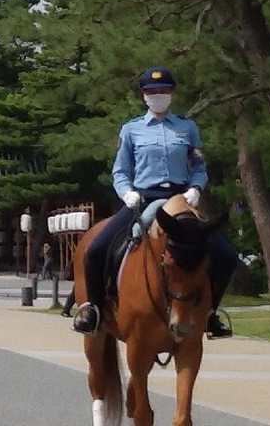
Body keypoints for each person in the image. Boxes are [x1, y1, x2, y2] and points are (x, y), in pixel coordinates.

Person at [72, 67, 239, 339]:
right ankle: (93, 308)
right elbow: (120, 171)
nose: (157, 96)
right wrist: (126, 192)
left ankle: (211, 314)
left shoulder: (187, 128)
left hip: (180, 199)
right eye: (151, 92)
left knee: (226, 254)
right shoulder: (131, 130)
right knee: (97, 249)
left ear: (171, 94)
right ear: (143, 96)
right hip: (143, 197)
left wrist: (196, 187)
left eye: (162, 91)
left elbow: (198, 166)